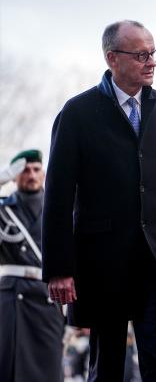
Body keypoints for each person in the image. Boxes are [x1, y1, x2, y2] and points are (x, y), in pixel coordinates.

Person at [41, 20, 156, 381]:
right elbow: (57, 197)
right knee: (107, 365)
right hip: (101, 262)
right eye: (141, 54)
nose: (151, 62)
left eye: (153, 53)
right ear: (112, 58)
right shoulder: (77, 113)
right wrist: (59, 268)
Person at [0, 149, 65, 382]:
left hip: (47, 300)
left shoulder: (59, 208)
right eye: (24, 170)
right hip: (10, 302)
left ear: (44, 173)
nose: (31, 174)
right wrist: (1, 178)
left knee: (46, 371)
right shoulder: (4, 210)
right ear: (15, 176)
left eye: (36, 169)